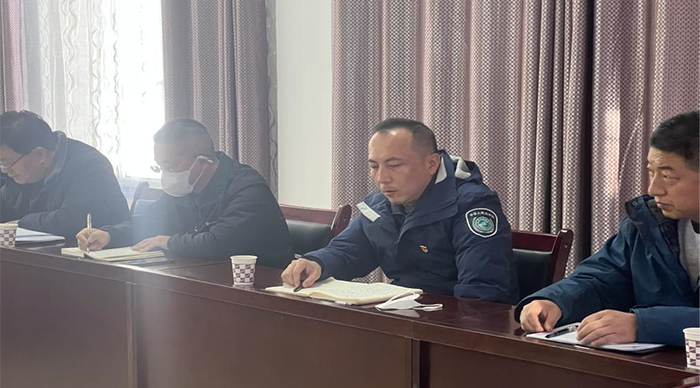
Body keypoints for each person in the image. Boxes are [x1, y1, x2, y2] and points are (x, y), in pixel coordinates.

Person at [281, 118, 518, 304]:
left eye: (394, 165)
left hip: (454, 324)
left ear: (432, 164)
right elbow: (349, 251)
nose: (382, 178)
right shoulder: (379, 206)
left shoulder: (471, 204)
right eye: (374, 166)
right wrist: (317, 263)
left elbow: (482, 292)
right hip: (404, 315)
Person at [517, 111, 700, 346]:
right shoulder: (648, 223)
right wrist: (554, 301)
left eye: (667, 176)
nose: (654, 189)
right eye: (651, 172)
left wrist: (644, 325)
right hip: (653, 364)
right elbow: (602, 279)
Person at [76, 118, 293, 267]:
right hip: (202, 278)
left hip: (262, 289)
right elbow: (149, 223)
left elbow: (219, 243)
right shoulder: (184, 187)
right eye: (159, 166)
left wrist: (167, 242)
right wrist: (109, 235)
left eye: (170, 166)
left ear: (202, 163)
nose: (166, 174)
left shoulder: (248, 189)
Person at [0, 110, 129, 237]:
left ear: (40, 154)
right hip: (33, 248)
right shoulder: (15, 170)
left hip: (93, 248)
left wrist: (22, 223)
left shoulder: (89, 165)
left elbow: (72, 221)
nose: (5, 170)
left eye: (7, 162)